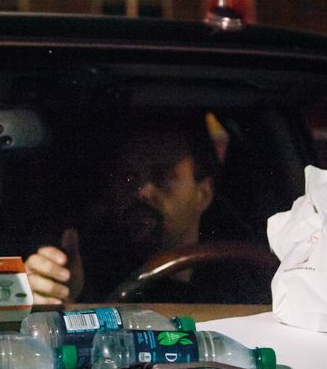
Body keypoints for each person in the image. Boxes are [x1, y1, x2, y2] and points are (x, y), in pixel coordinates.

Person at [26, 113, 255, 304]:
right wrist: (55, 293)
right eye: (129, 177)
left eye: (162, 176)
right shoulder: (90, 271)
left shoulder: (245, 276)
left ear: (203, 194)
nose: (141, 191)